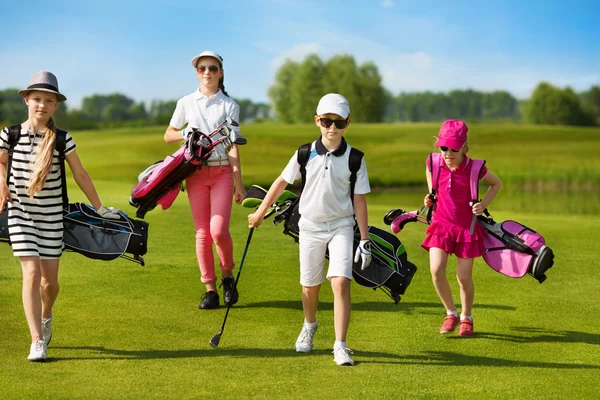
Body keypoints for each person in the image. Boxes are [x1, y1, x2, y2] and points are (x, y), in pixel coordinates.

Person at [0, 71, 122, 362]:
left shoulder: (62, 139)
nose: (42, 105)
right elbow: (0, 162)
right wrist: (1, 183)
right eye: (37, 99)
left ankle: (46, 315)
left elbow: (80, 173)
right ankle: (37, 341)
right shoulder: (10, 134)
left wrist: (99, 207)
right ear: (27, 100)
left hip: (53, 217)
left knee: (49, 284)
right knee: (30, 273)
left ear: (55, 105)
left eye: (48, 100)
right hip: (21, 215)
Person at [248, 93, 371, 366]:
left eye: (338, 123)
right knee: (310, 287)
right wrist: (260, 212)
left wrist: (364, 239)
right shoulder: (305, 153)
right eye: (327, 121)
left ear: (347, 123)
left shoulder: (355, 158)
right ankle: (310, 325)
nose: (332, 128)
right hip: (310, 226)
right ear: (317, 121)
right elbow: (281, 182)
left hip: (341, 225)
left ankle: (340, 345)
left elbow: (359, 200)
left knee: (340, 282)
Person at [164, 51, 246, 310]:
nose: (207, 72)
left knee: (218, 231)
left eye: (212, 68)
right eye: (202, 69)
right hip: (196, 173)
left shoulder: (230, 105)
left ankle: (227, 276)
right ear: (197, 73)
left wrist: (239, 182)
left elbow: (233, 145)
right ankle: (210, 290)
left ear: (220, 73)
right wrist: (185, 132)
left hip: (222, 172)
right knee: (202, 233)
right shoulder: (186, 102)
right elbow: (168, 135)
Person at [422, 120, 502, 337]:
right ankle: (451, 313)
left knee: (463, 277)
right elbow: (430, 174)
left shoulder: (475, 168)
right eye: (443, 147)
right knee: (436, 270)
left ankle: (467, 317)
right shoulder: (433, 161)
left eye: (454, 148)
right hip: (441, 225)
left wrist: (483, 204)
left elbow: (496, 184)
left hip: (467, 229)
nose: (448, 153)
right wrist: (431, 195)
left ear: (464, 146)